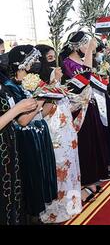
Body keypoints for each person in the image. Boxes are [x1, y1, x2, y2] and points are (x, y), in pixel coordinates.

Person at [5, 45, 58, 219]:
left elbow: (40, 114)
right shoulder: (10, 87)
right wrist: (41, 97)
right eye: (32, 60)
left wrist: (52, 97)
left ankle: (40, 216)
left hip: (39, 134)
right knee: (32, 182)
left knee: (43, 177)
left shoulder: (32, 82)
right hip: (27, 139)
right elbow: (23, 120)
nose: (36, 63)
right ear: (21, 63)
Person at [35, 45, 82, 223]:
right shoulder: (39, 87)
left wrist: (79, 102)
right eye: (49, 59)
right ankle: (56, 212)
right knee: (59, 171)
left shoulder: (58, 85)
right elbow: (43, 113)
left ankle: (72, 205)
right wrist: (53, 86)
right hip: (54, 138)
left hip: (68, 136)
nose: (56, 66)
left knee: (71, 170)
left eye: (55, 59)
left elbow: (64, 109)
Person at [61, 31, 110, 191]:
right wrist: (89, 50)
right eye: (85, 44)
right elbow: (84, 77)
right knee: (85, 142)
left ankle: (96, 174)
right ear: (76, 46)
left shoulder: (81, 59)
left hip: (89, 104)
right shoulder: (67, 63)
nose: (88, 48)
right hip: (77, 108)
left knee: (95, 139)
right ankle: (87, 178)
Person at [0, 71, 39, 224]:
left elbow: (20, 119)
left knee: (12, 197)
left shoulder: (3, 83)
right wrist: (16, 109)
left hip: (9, 150)